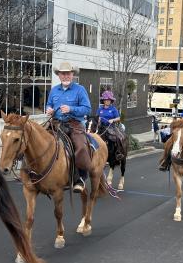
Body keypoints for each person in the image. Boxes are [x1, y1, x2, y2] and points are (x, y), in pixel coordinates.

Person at [46, 62, 92, 192]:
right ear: (59, 75)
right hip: (55, 123)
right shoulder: (54, 90)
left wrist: (71, 109)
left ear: (72, 75)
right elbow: (48, 104)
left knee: (81, 146)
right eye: (63, 74)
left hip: (74, 124)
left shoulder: (80, 89)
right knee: (35, 139)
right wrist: (48, 109)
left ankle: (80, 178)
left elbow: (87, 109)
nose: (65, 76)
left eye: (68, 73)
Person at [97, 90, 126, 160]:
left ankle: (119, 152)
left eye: (109, 100)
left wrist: (113, 120)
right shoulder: (100, 109)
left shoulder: (113, 109)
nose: (107, 101)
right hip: (101, 127)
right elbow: (97, 118)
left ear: (111, 101)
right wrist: (98, 119)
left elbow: (118, 118)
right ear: (103, 101)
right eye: (106, 100)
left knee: (118, 137)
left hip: (111, 127)